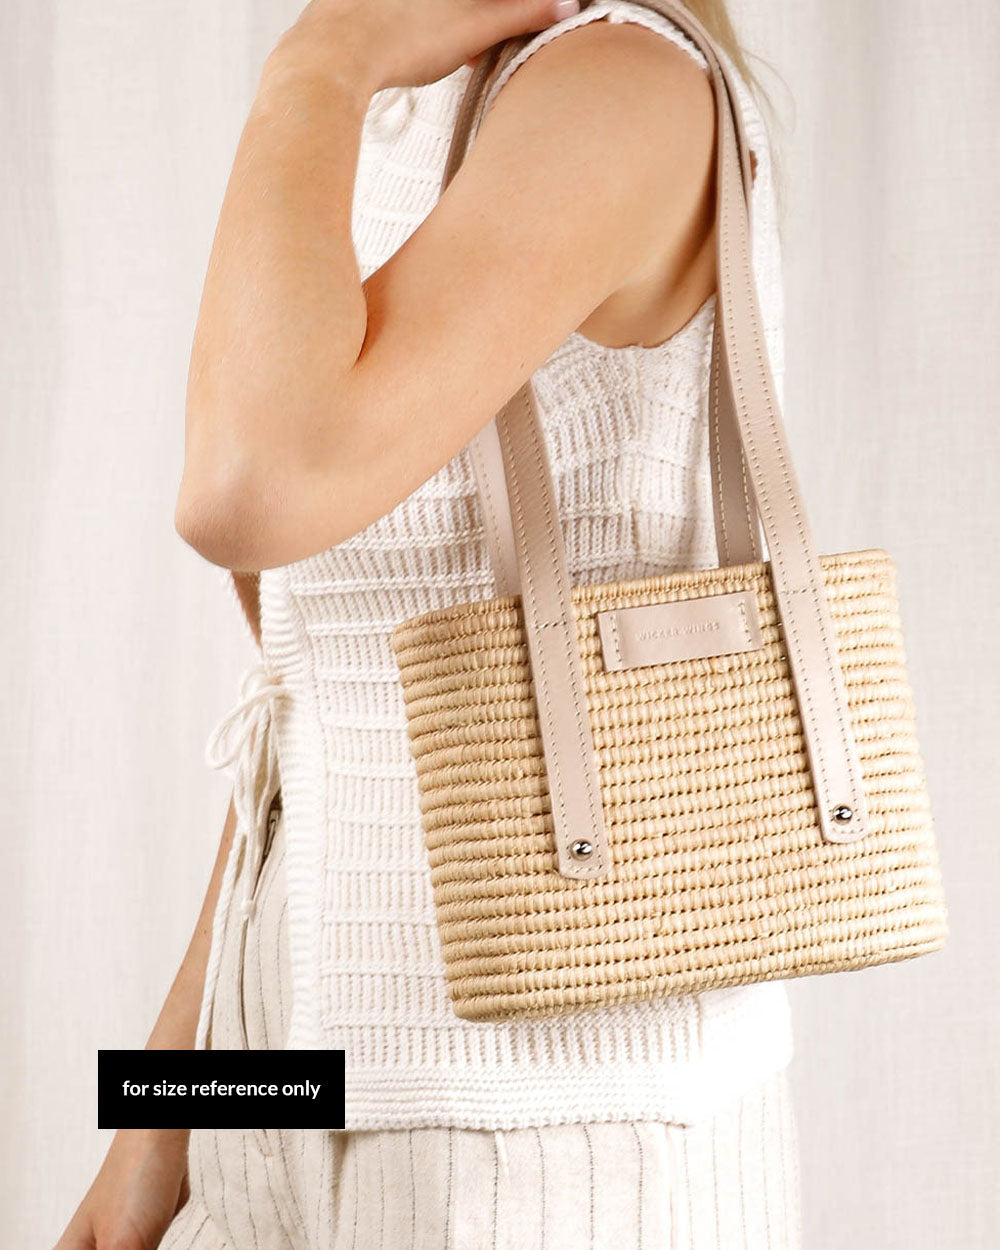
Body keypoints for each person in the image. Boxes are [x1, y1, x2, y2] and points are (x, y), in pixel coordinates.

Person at [55, 1, 802, 1246]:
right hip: (286, 1086)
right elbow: (309, 699)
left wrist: (315, 63)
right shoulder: (406, 108)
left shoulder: (620, 83)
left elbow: (244, 486)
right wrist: (162, 1112)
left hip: (540, 1139)